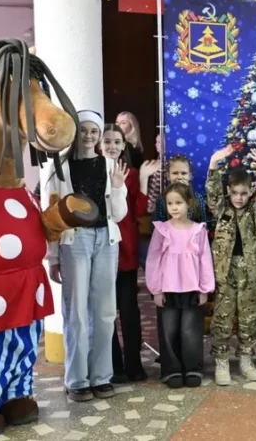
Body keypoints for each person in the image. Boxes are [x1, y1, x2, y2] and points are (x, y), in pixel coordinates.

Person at [42, 110, 129, 402]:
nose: (89, 136)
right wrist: (53, 257)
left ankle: (101, 376)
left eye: (94, 131)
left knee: (105, 312)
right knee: (76, 313)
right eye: (83, 130)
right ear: (75, 133)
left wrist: (117, 188)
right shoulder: (58, 167)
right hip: (74, 240)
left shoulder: (110, 165)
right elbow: (51, 216)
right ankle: (77, 380)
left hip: (106, 239)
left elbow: (119, 214)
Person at [99, 124, 159, 383]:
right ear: (100, 145)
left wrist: (143, 179)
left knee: (128, 308)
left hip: (126, 250)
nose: (112, 146)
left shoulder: (131, 174)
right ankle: (113, 365)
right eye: (107, 141)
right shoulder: (94, 172)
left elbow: (139, 209)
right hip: (101, 248)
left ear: (124, 145)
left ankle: (134, 363)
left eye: (116, 141)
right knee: (106, 310)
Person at [145, 182, 215, 388]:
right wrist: (156, 289)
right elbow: (153, 260)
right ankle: (171, 369)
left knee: (190, 331)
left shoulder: (198, 230)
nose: (174, 207)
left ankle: (193, 367)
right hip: (167, 289)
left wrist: (205, 288)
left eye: (178, 203)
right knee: (169, 330)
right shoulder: (162, 230)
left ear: (189, 203)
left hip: (192, 288)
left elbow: (205, 260)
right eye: (170, 203)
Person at [206, 146, 256, 385]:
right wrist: (213, 163)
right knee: (222, 317)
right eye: (234, 193)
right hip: (225, 272)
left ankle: (246, 360)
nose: (239, 198)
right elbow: (212, 193)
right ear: (228, 191)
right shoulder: (222, 209)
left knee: (250, 317)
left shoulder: (255, 210)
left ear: (250, 191)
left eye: (243, 193)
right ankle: (221, 361)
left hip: (249, 272)